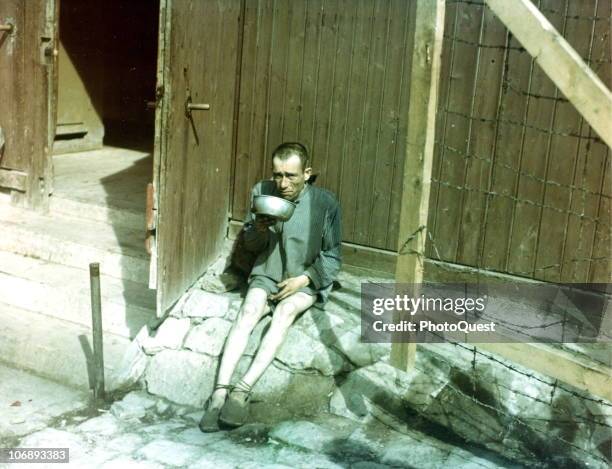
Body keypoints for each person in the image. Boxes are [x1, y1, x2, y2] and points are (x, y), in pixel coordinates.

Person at [199, 142, 342, 432]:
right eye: (278, 174)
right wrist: (259, 229)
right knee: (248, 311)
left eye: (291, 175)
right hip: (268, 271)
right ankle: (218, 394)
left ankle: (241, 391)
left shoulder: (325, 203)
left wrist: (304, 280)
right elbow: (252, 247)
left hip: (303, 278)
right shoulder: (262, 192)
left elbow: (333, 256)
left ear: (307, 173)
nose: (283, 183)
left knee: (286, 312)